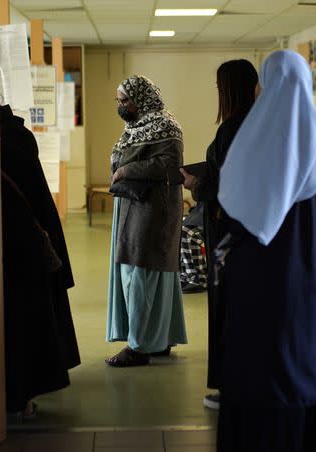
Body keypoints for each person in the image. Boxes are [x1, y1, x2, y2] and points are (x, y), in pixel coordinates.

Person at [214, 50, 316, 452]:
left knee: (256, 370)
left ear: (264, 88)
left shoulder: (248, 150)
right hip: (311, 283)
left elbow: (230, 217)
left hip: (256, 281)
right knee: (307, 365)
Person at [180, 59, 258, 410]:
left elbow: (225, 184)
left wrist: (196, 184)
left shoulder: (231, 129)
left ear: (229, 89)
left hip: (226, 232)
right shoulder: (259, 124)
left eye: (219, 87)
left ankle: (231, 387)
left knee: (226, 308)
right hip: (248, 233)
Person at [0, 104, 81, 418]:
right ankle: (26, 396)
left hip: (15, 245)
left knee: (19, 322)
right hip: (30, 243)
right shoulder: (19, 136)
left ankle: (18, 397)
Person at [105, 75, 188, 367]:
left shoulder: (166, 125)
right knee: (144, 273)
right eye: (119, 101)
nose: (122, 106)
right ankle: (159, 339)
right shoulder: (133, 128)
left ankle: (140, 347)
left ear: (143, 98)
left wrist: (128, 171)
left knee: (141, 275)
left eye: (126, 100)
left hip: (154, 211)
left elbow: (170, 165)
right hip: (132, 208)